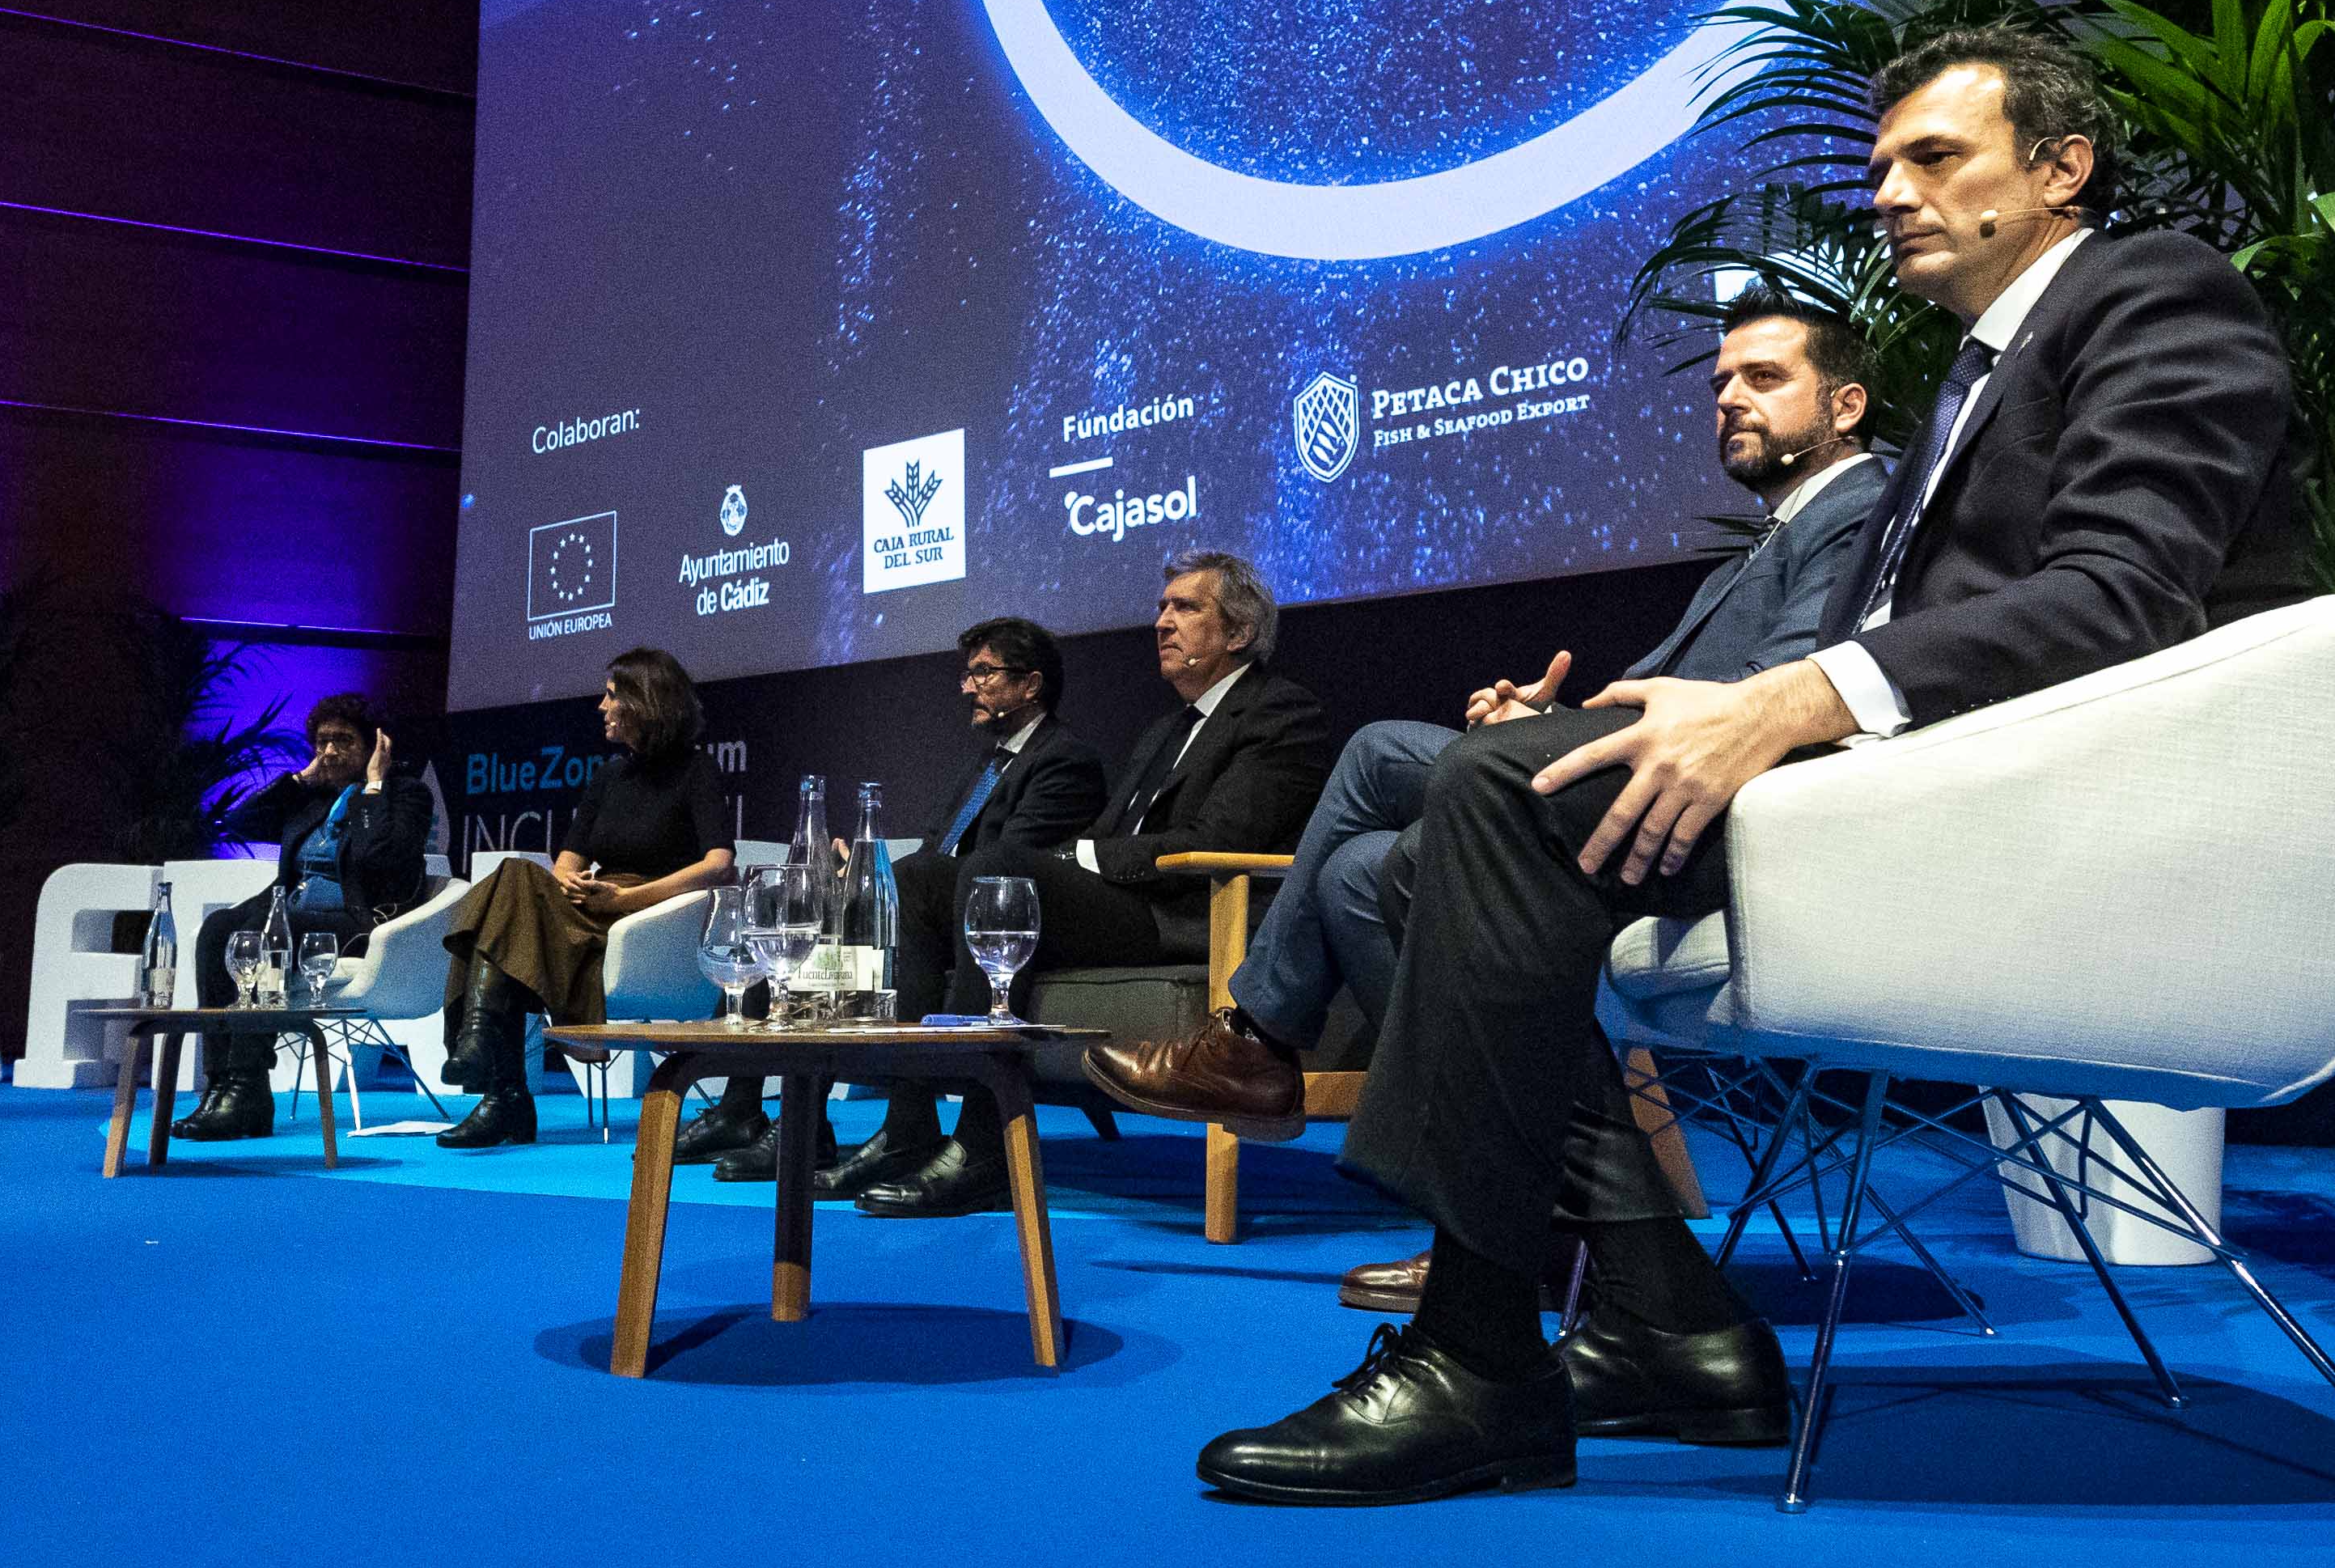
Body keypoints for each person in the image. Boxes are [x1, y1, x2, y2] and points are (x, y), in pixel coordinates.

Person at [1196, 25, 2316, 1503]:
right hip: (1914, 775)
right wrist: (1689, 701)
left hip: (2026, 806)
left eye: (1936, 156)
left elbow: (2121, 592)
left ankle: (1479, 1360)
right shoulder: (1976, 372)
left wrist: (1787, 697)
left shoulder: (2151, 292)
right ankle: (1669, 1322)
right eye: (1879, 167)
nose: (1891, 193)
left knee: (1481, 800)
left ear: (2059, 168)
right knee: (1405, 860)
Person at [1088, 295, 1887, 1199]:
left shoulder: (1859, 510)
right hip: (1628, 793)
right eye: (1720, 384)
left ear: (1845, 406)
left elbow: (1770, 699)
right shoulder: (1757, 548)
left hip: (1704, 813)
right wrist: (1539, 725)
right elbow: (1664, 703)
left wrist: (1550, 738)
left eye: (1764, 378)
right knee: (1356, 873)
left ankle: (1257, 1042)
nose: (1730, 399)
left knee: (1381, 748)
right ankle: (1503, 1196)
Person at [852, 552, 1333, 1219]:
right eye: (1162, 607)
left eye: (1185, 608)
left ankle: (983, 1147)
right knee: (920, 876)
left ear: (1239, 633)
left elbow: (1215, 838)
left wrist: (1079, 857)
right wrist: (1081, 857)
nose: (1162, 622)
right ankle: (908, 1124)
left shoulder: (1280, 712)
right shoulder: (1167, 728)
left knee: (1005, 867)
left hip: (1190, 915)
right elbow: (1112, 834)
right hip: (1131, 903)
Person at [756, 615, 1109, 1198]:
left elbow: (1010, 858)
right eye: (967, 674)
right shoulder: (980, 764)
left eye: (984, 673)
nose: (967, 687)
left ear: (1030, 685)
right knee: (828, 895)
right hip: (943, 911)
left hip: (1007, 915)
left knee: (907, 882)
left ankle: (935, 1132)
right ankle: (823, 1121)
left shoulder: (1065, 759)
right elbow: (934, 850)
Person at [433, 647, 735, 1148]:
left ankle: (497, 1086)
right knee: (513, 879)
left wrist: (628, 900)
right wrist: (573, 882)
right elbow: (568, 861)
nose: (600, 706)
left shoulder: (695, 772)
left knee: (505, 920)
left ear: (643, 703)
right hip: (591, 909)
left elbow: (719, 864)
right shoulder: (608, 776)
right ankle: (490, 1066)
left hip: (648, 920)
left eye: (611, 695)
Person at [171, 694, 435, 1142]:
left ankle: (247, 1087)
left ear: (376, 745)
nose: (329, 751)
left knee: (267, 932)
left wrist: (372, 786)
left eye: (343, 741)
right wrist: (300, 778)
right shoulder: (312, 799)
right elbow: (240, 822)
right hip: (290, 915)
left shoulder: (406, 795)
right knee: (218, 930)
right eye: (321, 742)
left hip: (359, 926)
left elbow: (380, 858)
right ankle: (221, 1086)